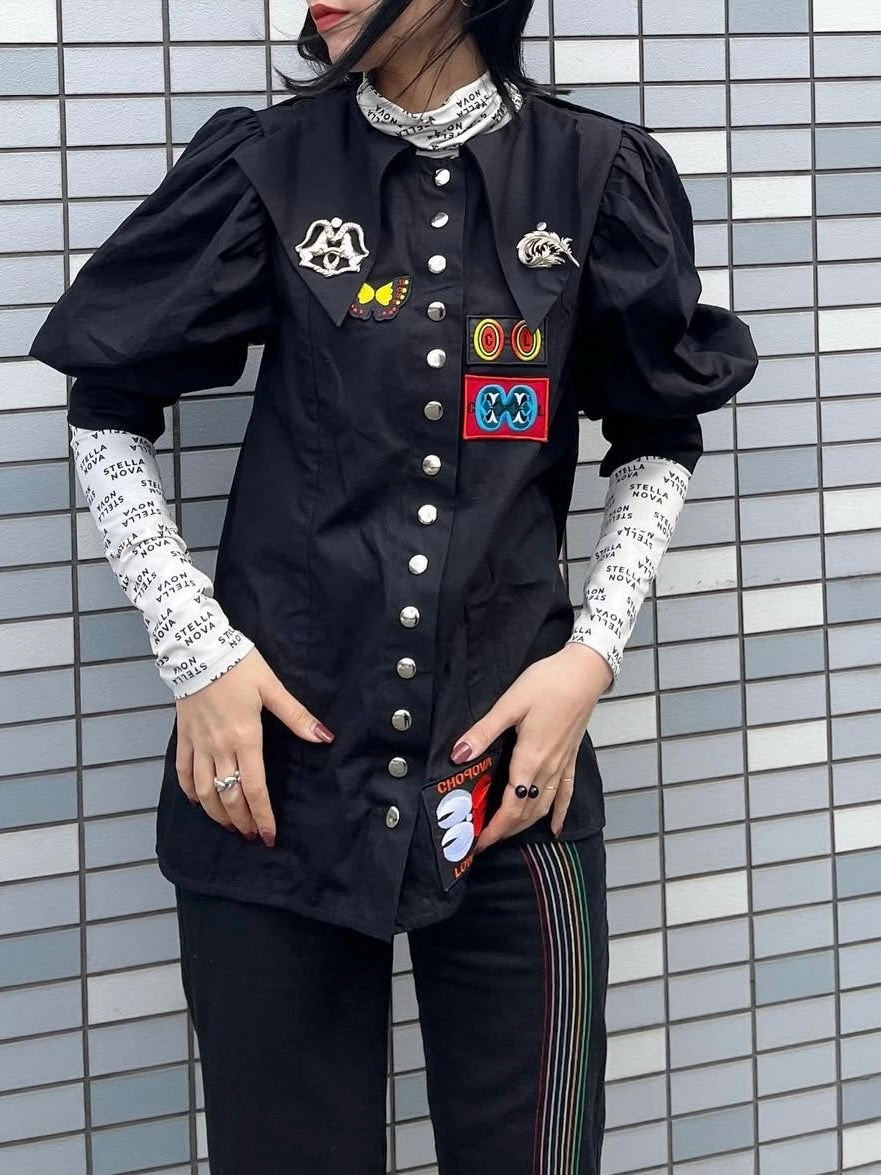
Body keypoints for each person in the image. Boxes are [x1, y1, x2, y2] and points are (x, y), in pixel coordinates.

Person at [28, 1, 759, 1171]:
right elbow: (106, 403)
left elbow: (657, 431)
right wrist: (196, 651)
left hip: (512, 782)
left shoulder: (593, 175)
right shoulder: (267, 165)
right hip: (273, 784)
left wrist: (589, 658)